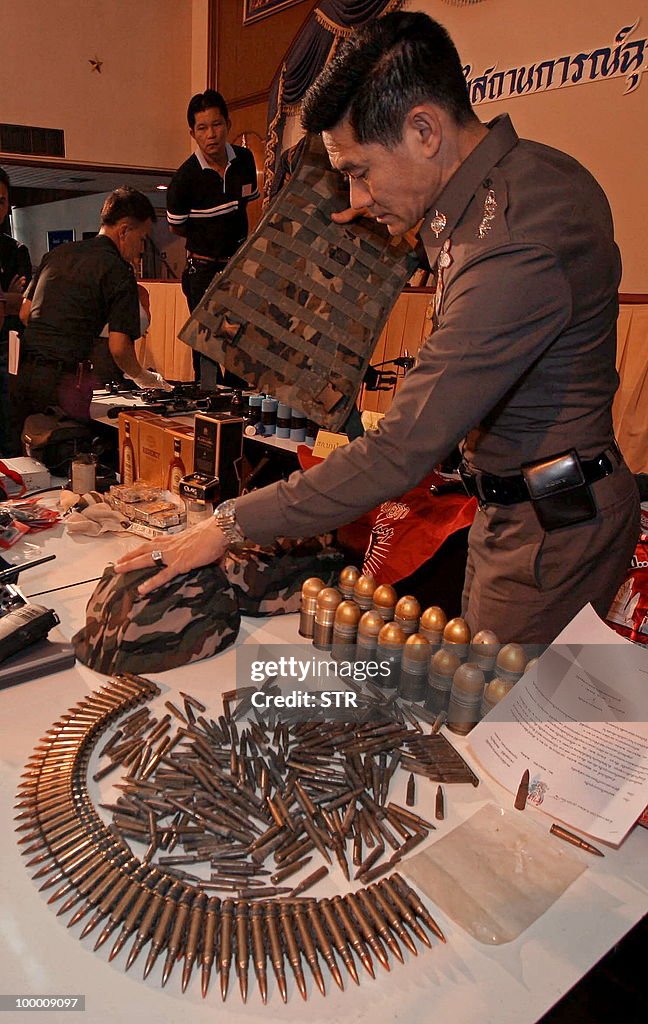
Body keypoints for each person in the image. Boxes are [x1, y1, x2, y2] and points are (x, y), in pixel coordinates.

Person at [115, 12, 640, 646]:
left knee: (492, 733)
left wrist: (227, 524)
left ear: (424, 129)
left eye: (361, 171)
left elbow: (399, 453)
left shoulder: (512, 239)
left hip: (548, 533)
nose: (356, 199)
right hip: (520, 511)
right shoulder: (512, 188)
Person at [8, 186, 171, 454]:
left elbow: (26, 314)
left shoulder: (58, 254)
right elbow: (119, 348)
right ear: (125, 230)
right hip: (60, 381)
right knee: (67, 459)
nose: (141, 248)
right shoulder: (118, 270)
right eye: (142, 238)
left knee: (27, 463)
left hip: (22, 373)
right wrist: (145, 377)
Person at [167, 89, 259, 387]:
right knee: (206, 344)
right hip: (202, 270)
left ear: (228, 125)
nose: (211, 134)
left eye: (217, 125)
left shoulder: (244, 160)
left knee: (241, 341)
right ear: (192, 133)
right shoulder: (184, 179)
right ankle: (207, 404)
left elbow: (248, 205)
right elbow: (177, 228)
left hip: (238, 268)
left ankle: (239, 404)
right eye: (203, 128)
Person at [0, 167, 32, 453]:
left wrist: (9, 299)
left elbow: (23, 304)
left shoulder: (15, 249)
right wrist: (6, 297)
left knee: (11, 429)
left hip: (9, 349)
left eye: (1, 200)